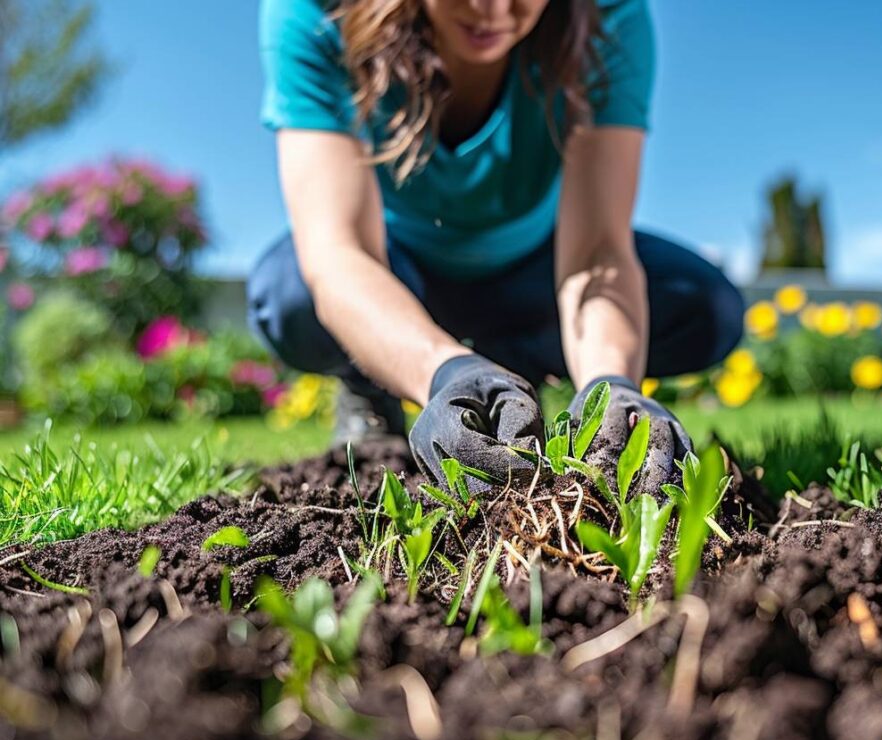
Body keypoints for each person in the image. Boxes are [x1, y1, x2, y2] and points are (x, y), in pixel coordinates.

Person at [248, 0, 744, 493]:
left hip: (536, 274)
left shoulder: (608, 18)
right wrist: (442, 372)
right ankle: (376, 385)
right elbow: (340, 253)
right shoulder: (318, 14)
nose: (495, 9)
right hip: (398, 273)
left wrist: (611, 385)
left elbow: (597, 249)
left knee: (701, 306)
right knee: (290, 296)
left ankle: (510, 379)